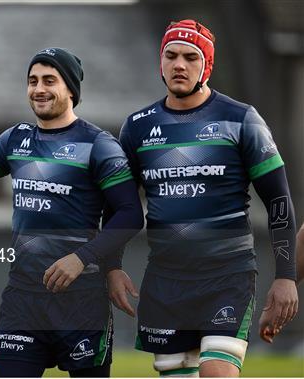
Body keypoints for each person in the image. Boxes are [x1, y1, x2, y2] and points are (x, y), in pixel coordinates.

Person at [119, 19, 298, 377]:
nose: (179, 65)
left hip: (227, 277)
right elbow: (120, 208)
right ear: (161, 62)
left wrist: (286, 277)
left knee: (217, 371)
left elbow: (278, 201)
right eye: (171, 56)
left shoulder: (242, 120)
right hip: (165, 282)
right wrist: (109, 267)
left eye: (190, 57)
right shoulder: (137, 127)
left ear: (207, 66)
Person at [0, 47, 144, 377]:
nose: (38, 89)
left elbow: (129, 213)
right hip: (22, 300)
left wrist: (81, 258)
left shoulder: (100, 145)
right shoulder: (15, 140)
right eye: (32, 80)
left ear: (70, 89)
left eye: (49, 80)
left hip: (82, 301)